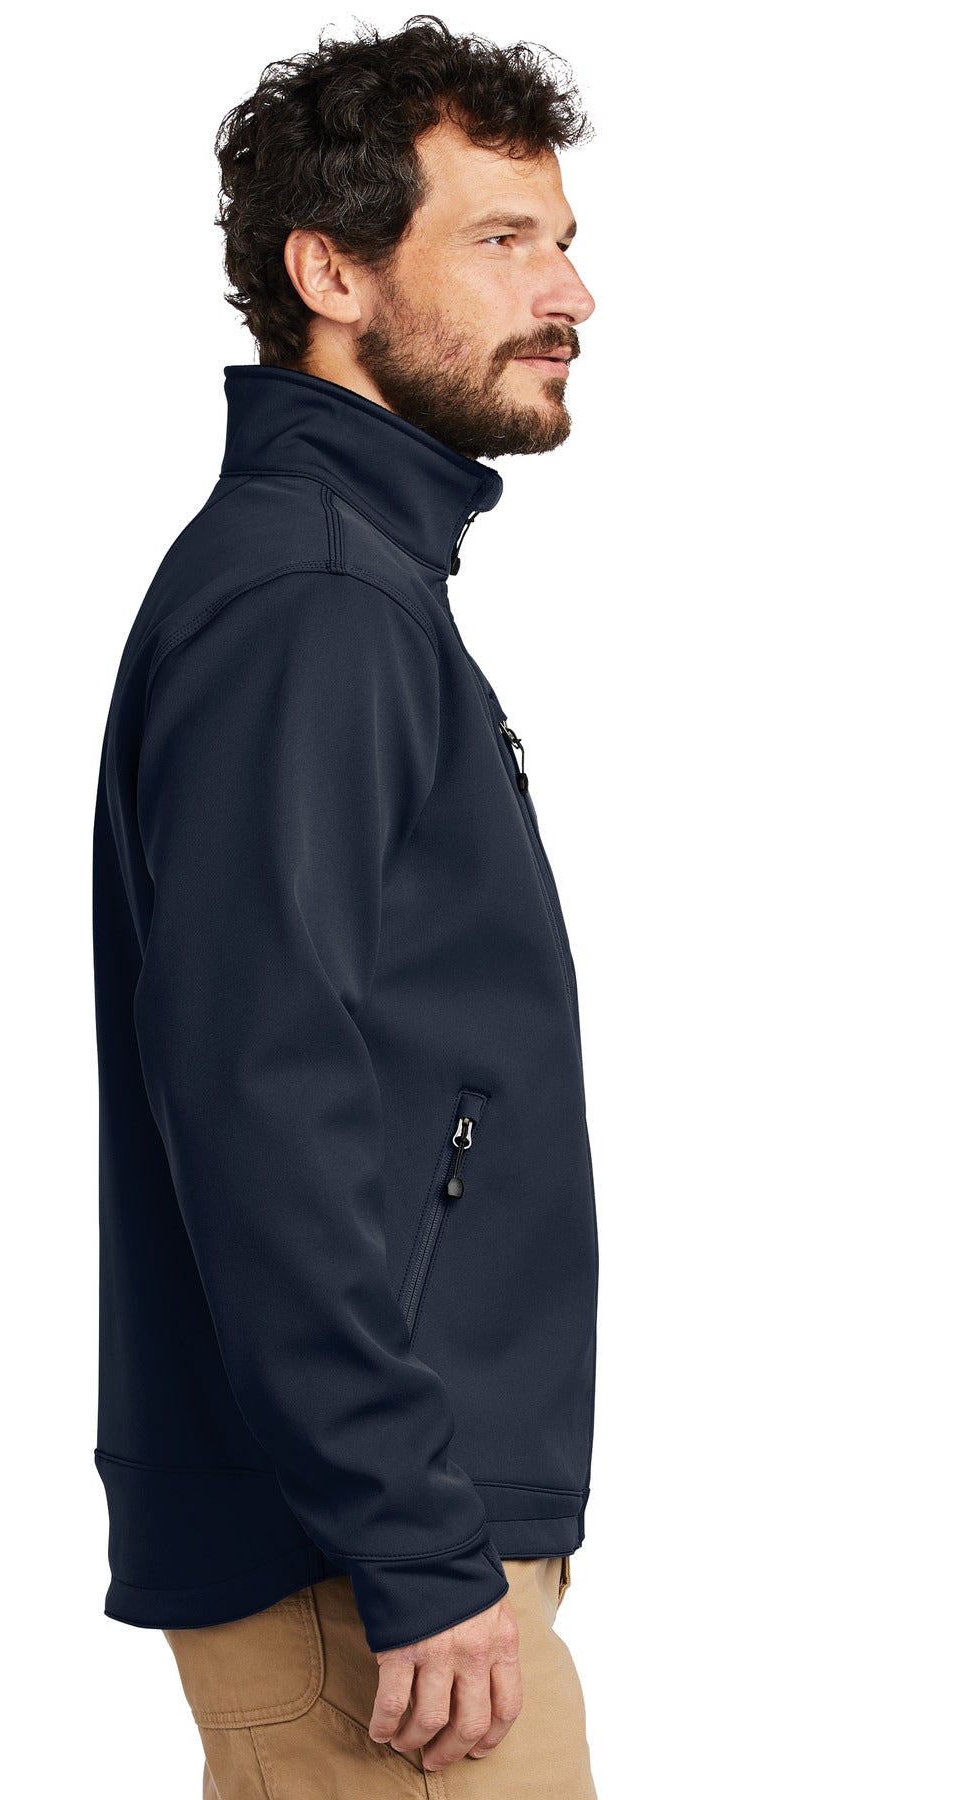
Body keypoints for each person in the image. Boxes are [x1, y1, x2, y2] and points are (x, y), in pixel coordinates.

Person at [91, 16, 601, 1795]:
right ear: (333, 274)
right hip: (371, 1568)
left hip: (380, 1539)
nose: (571, 292)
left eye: (562, 239)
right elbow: (255, 1089)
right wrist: (411, 1528)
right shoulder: (315, 599)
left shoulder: (349, 578)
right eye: (503, 240)